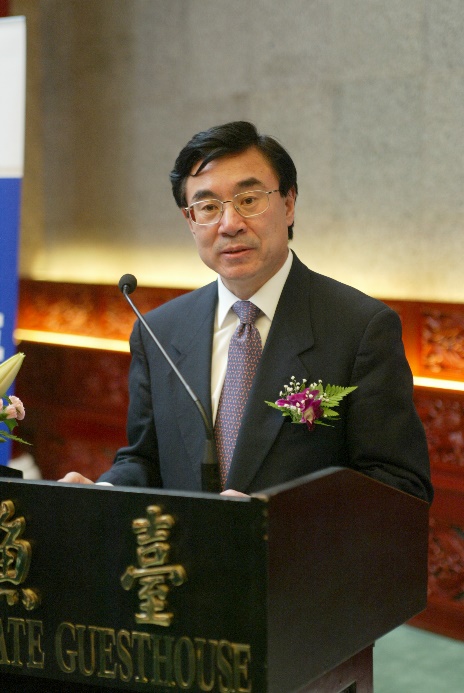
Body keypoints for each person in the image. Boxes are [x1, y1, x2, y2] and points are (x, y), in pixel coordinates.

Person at [60, 121, 433, 502]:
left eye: (249, 200)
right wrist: (103, 492)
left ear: (289, 204)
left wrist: (276, 516)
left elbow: (400, 485)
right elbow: (146, 459)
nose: (230, 224)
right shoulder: (158, 331)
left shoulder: (359, 328)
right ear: (190, 221)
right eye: (208, 207)